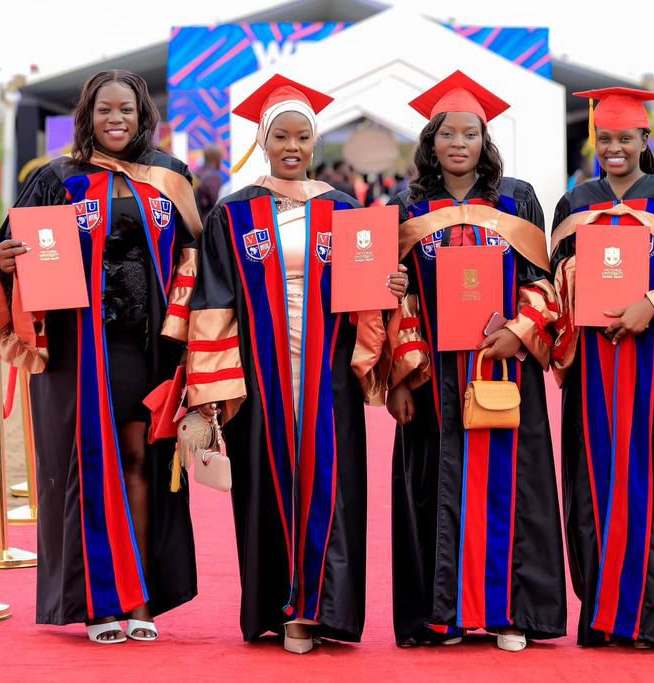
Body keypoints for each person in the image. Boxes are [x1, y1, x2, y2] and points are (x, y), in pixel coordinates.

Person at [185, 74, 408, 654]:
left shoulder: (344, 210)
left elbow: (366, 296)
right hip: (260, 376)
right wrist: (213, 384)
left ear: (314, 144)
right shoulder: (233, 214)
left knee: (330, 483)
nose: (291, 147)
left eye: (301, 138)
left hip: (328, 373)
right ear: (262, 140)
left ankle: (320, 609)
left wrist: (389, 287)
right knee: (265, 483)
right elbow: (213, 300)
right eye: (280, 136)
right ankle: (277, 607)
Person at [0, 70, 200, 644]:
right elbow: (6, 249)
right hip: (77, 350)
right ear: (87, 114)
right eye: (104, 109)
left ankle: (140, 600)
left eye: (126, 110)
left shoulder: (170, 177)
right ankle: (98, 602)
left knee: (140, 461)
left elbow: (194, 261)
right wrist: (5, 262)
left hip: (147, 345)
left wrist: (188, 340)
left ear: (142, 114)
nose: (116, 119)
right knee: (86, 468)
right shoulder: (57, 177)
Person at [386, 71, 566, 652]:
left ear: (484, 143)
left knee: (512, 484)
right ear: (430, 143)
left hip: (505, 366)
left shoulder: (516, 198)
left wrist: (520, 330)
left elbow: (543, 278)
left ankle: (512, 612)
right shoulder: (408, 203)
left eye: (470, 133)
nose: (458, 143)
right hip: (435, 372)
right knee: (435, 481)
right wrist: (406, 371)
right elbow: (401, 295)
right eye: (447, 134)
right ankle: (441, 617)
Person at [549, 87, 654, 650]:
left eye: (625, 137)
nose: (614, 148)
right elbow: (555, 277)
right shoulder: (576, 203)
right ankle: (607, 615)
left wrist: (653, 304)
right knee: (596, 480)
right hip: (596, 365)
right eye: (605, 139)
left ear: (647, 139)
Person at [194, 144, 226, 222]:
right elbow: (217, 203)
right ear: (216, 160)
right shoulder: (214, 177)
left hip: (195, 221)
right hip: (208, 223)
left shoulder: (196, 173)